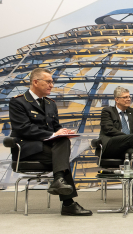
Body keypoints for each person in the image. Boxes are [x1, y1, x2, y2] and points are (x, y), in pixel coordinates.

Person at [9, 68, 92, 216]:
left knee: (64, 142)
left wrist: (63, 131)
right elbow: (23, 129)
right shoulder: (18, 102)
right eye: (48, 82)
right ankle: (67, 203)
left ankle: (60, 181)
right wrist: (54, 134)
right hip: (27, 149)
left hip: (46, 149)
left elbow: (55, 127)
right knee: (62, 157)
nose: (51, 85)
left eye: (52, 82)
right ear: (35, 82)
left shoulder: (50, 104)